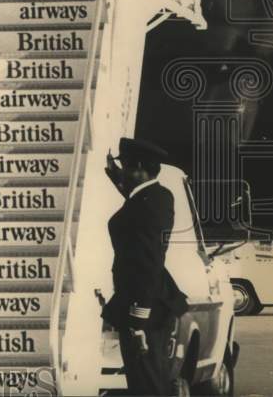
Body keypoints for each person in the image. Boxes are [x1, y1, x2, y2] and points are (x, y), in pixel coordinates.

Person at [103, 137, 189, 396]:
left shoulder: (151, 202)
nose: (125, 174)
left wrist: (139, 319)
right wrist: (116, 176)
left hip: (144, 306)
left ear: (139, 167)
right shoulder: (152, 197)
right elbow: (134, 204)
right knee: (145, 381)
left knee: (148, 385)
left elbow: (149, 260)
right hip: (144, 302)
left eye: (127, 167)